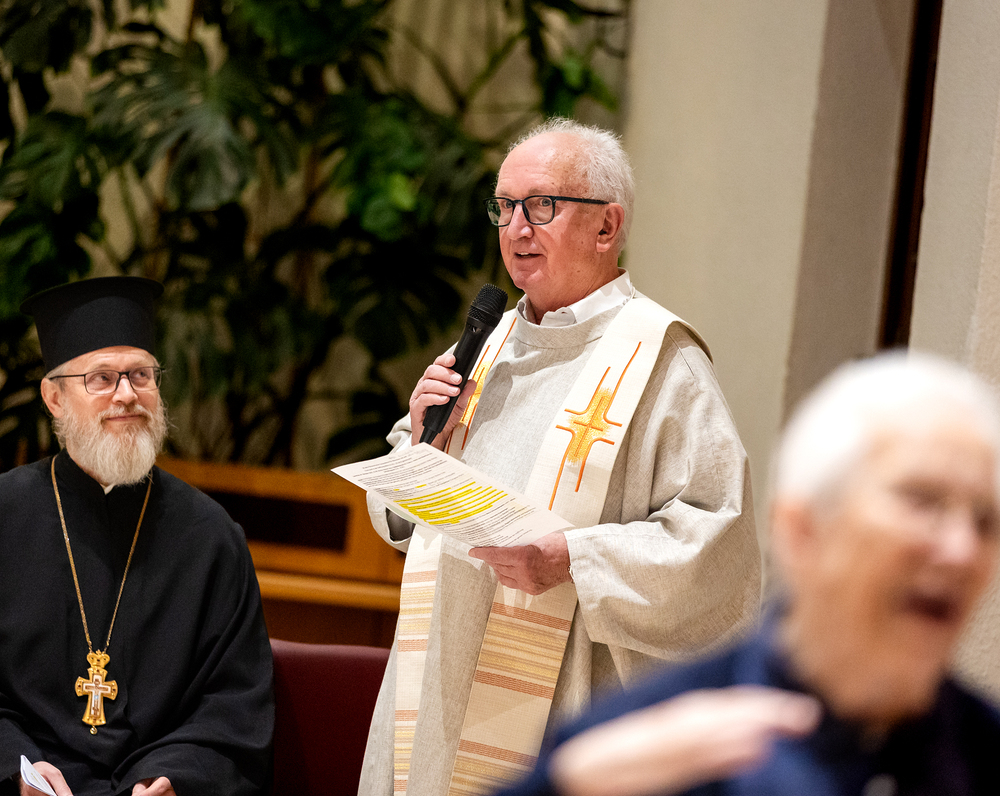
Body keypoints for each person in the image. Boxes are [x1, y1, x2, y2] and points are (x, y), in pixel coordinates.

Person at [358, 117, 761, 796]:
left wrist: (573, 558)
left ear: (606, 226)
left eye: (541, 205)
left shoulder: (662, 363)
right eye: (504, 206)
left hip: (568, 698)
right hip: (436, 688)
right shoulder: (484, 346)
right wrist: (421, 441)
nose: (517, 228)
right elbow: (399, 517)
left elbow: (717, 547)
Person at [497, 351, 1000, 796]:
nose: (962, 550)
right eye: (922, 502)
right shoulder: (626, 753)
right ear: (801, 531)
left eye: (985, 520)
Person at [0, 277, 274, 796]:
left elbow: (236, 703)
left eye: (141, 375)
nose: (127, 395)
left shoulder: (211, 537)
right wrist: (15, 767)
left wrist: (174, 775)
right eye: (102, 378)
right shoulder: (6, 516)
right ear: (55, 398)